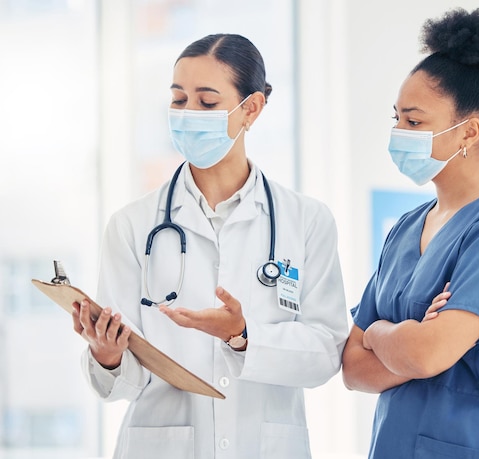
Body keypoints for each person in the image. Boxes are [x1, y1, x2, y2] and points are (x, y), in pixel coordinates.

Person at [71, 33, 348, 459]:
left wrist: (242, 337)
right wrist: (108, 355)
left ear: (250, 109)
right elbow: (126, 384)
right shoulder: (131, 225)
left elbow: (325, 353)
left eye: (206, 101)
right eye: (179, 100)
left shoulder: (307, 221)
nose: (187, 114)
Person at [341, 8, 479, 459]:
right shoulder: (405, 228)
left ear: (469, 132)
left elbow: (426, 356)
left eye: (414, 122)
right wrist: (409, 337)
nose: (398, 132)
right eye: (396, 117)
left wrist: (379, 332)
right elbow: (354, 369)